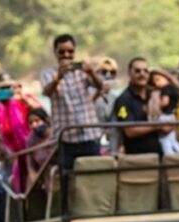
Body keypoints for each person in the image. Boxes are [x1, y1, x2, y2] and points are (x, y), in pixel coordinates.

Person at [41, 33, 104, 173]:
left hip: (89, 134)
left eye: (70, 51)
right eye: (62, 52)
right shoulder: (49, 74)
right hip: (66, 138)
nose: (66, 55)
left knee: (93, 177)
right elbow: (47, 92)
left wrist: (91, 73)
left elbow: (101, 87)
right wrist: (59, 77)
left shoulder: (82, 72)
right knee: (67, 179)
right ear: (55, 53)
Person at [0, 72, 40, 192]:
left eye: (7, 87)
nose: (4, 91)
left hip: (32, 152)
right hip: (15, 157)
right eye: (1, 88)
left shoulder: (23, 100)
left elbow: (41, 113)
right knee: (18, 187)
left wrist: (22, 97)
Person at [113, 57, 165, 155]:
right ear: (129, 73)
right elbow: (130, 131)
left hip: (158, 155)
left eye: (146, 71)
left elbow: (178, 92)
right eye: (137, 71)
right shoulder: (123, 100)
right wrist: (156, 126)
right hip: (137, 158)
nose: (142, 74)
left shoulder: (154, 94)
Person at [25, 108, 56, 190]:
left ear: (46, 121)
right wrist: (32, 173)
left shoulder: (55, 135)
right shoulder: (31, 140)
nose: (34, 125)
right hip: (45, 175)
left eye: (37, 121)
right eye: (31, 123)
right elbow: (30, 163)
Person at [94, 57, 120, 153]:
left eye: (112, 72)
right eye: (104, 72)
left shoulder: (115, 97)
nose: (108, 75)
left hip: (110, 142)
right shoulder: (88, 92)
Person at [157, 84, 179, 155]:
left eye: (161, 98)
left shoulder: (164, 116)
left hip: (166, 144)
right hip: (173, 142)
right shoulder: (174, 114)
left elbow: (165, 130)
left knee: (166, 143)